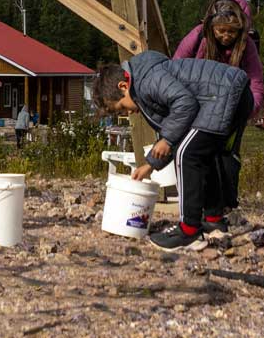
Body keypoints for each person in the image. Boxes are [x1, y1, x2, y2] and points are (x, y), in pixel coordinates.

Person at [92, 49, 252, 249]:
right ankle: (213, 219)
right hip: (230, 94)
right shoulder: (143, 84)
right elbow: (178, 128)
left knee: (187, 154)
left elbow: (185, 104)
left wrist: (166, 140)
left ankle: (188, 230)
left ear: (124, 86)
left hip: (223, 94)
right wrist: (150, 165)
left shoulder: (148, 80)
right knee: (201, 153)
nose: (128, 112)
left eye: (122, 108)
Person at [173, 0, 264, 119]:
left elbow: (255, 81)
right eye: (221, 31)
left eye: (232, 31)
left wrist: (249, 109)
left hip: (229, 108)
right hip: (193, 104)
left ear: (241, 29)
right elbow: (175, 68)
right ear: (212, 27)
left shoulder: (247, 45)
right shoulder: (197, 36)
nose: (226, 36)